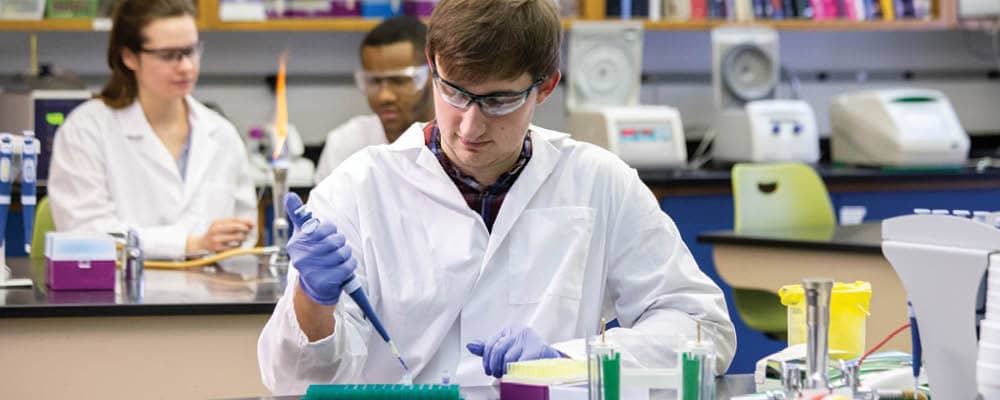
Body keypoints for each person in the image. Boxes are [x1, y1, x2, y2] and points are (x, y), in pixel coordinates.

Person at [258, 0, 736, 393]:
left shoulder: (598, 180)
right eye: (454, 92)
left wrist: (566, 360)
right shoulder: (359, 188)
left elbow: (703, 330)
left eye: (498, 100)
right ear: (432, 68)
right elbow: (290, 381)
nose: (469, 126)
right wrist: (311, 302)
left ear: (545, 86)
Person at [48, 0, 257, 260]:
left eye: (191, 51)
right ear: (129, 57)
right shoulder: (86, 131)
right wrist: (189, 245)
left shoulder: (221, 134)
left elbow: (245, 234)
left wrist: (230, 238)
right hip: (120, 294)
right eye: (169, 55)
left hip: (211, 292)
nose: (186, 67)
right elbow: (86, 233)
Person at [313, 15, 434, 182]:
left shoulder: (456, 146)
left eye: (399, 81)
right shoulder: (346, 145)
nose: (384, 96)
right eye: (374, 81)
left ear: (432, 74)